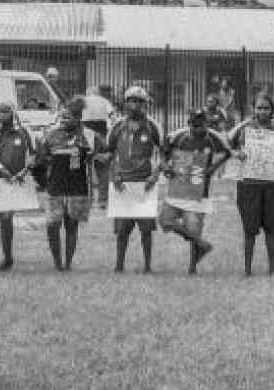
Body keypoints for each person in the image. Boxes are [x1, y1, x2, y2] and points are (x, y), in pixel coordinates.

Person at [228, 93, 274, 276]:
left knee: (271, 229)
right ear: (253, 109)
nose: (262, 111)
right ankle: (247, 270)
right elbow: (227, 143)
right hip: (248, 184)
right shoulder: (244, 128)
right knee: (249, 230)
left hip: (272, 185)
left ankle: (272, 269)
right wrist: (237, 154)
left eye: (266, 108)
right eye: (259, 107)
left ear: (272, 110)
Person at [159, 109, 236, 274]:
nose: (199, 129)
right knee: (165, 220)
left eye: (202, 125)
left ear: (206, 124)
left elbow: (228, 153)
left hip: (199, 190)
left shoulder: (214, 138)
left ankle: (192, 268)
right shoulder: (177, 137)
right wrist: (166, 167)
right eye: (195, 125)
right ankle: (201, 243)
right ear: (189, 124)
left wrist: (212, 168)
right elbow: (163, 153)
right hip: (178, 187)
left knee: (194, 227)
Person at [35, 97, 101, 271]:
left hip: (77, 188)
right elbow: (40, 160)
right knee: (52, 225)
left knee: (71, 225)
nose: (62, 120)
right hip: (55, 187)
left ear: (78, 119)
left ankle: (68, 263)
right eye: (61, 117)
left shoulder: (88, 135)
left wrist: (91, 156)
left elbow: (103, 154)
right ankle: (57, 263)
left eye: (67, 117)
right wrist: (43, 181)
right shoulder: (51, 135)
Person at [105, 86, 163, 274]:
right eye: (132, 100)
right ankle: (119, 265)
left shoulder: (153, 126)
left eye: (139, 101)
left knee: (146, 229)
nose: (135, 105)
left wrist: (154, 176)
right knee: (122, 230)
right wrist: (114, 176)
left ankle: (147, 266)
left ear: (145, 105)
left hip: (144, 184)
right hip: (122, 184)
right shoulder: (117, 126)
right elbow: (109, 154)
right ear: (125, 103)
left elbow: (164, 154)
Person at [0, 102, 36, 271]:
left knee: (7, 218)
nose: (3, 115)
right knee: (4, 219)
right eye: (0, 112)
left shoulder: (23, 131)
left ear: (13, 113)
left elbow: (34, 154)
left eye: (7, 111)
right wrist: (2, 170)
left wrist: (25, 170)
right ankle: (7, 256)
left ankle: (7, 257)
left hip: (18, 180)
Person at [82, 86, 117, 209]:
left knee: (84, 168)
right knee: (102, 168)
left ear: (88, 93)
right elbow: (113, 119)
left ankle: (87, 198)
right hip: (101, 136)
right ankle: (103, 200)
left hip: (85, 136)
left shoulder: (82, 101)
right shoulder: (105, 102)